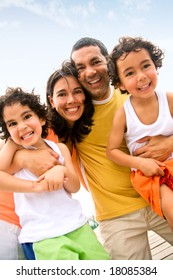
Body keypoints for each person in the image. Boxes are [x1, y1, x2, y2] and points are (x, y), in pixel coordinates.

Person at [8, 38, 173, 260]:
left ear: (109, 63)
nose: (90, 72)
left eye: (95, 62)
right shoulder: (67, 121)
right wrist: (23, 159)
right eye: (81, 68)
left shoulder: (135, 94)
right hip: (116, 215)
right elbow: (16, 140)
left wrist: (169, 142)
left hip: (160, 194)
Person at [0, 87, 109, 260]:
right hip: (42, 237)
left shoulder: (60, 149)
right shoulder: (13, 153)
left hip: (77, 226)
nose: (21, 126)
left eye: (27, 116)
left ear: (42, 118)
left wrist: (61, 169)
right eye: (12, 123)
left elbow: (74, 186)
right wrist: (12, 143)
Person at [106, 36, 173, 230]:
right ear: (120, 84)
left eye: (146, 66)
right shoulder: (123, 114)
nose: (141, 76)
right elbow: (112, 151)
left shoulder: (168, 99)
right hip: (151, 174)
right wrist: (140, 162)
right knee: (170, 207)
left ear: (155, 65)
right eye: (130, 73)